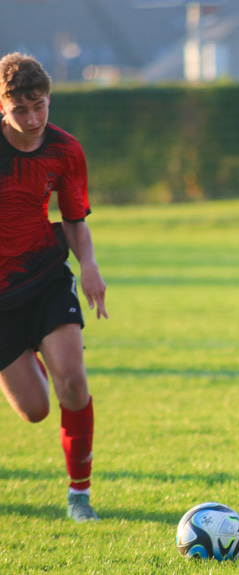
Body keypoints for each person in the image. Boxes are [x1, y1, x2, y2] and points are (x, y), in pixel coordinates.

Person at [0, 53, 108, 521]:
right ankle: (31, 361)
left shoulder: (66, 150)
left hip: (46, 277)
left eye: (38, 106)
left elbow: (74, 218)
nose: (31, 119)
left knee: (74, 381)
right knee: (36, 410)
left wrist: (88, 265)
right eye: (19, 110)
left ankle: (79, 495)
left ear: (48, 99)